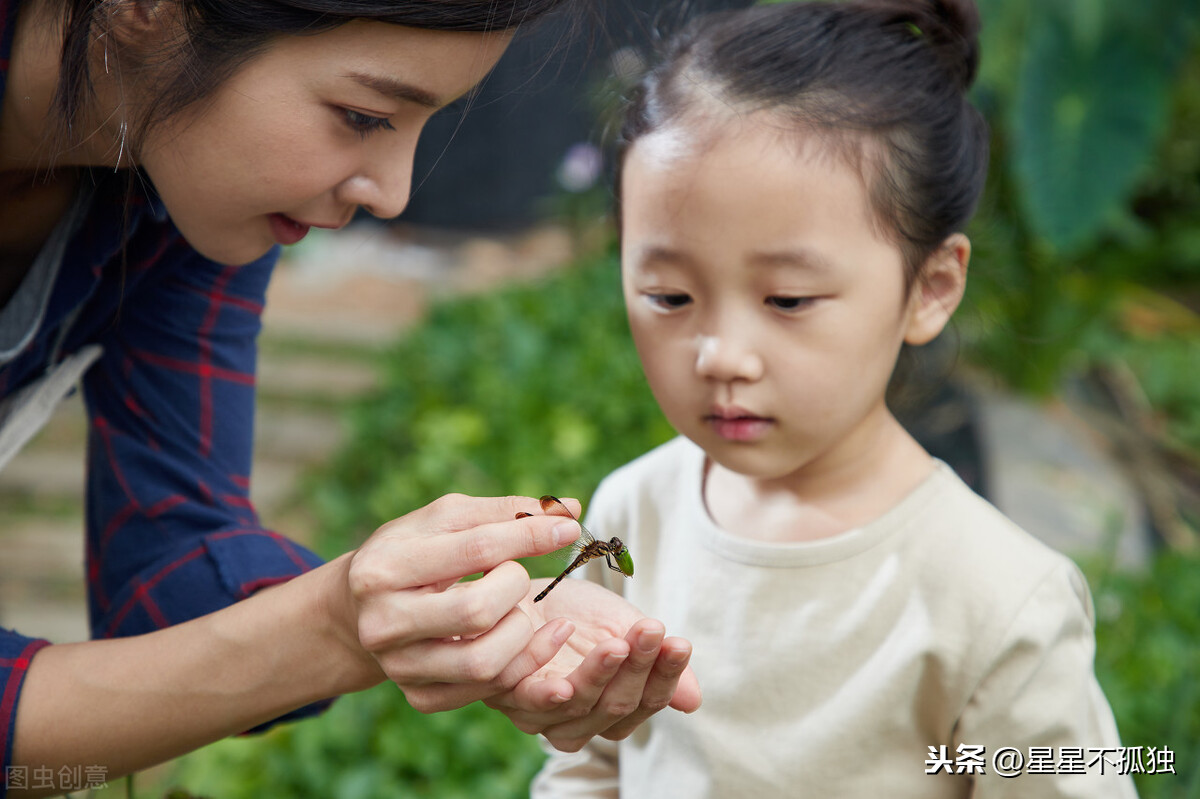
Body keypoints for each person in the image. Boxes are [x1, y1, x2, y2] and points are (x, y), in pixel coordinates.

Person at [0, 1, 701, 795]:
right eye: (364, 115)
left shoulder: (175, 177)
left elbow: (167, 581)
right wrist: (337, 626)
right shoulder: (193, 138)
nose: (395, 195)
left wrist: (429, 610)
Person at [532, 1, 1137, 796]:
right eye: (670, 295)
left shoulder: (998, 599)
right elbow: (588, 762)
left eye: (787, 299)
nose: (720, 355)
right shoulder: (631, 516)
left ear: (931, 286)